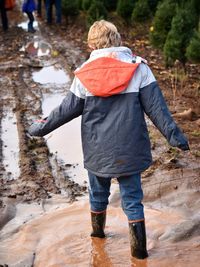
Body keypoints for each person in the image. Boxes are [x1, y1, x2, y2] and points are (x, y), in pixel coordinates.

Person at [28, 20, 190, 259]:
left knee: (97, 195)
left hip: (98, 149)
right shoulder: (139, 69)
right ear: (118, 39)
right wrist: (175, 137)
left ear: (91, 44)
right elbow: (158, 110)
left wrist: (39, 127)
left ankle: (98, 240)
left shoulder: (84, 74)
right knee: (133, 200)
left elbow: (65, 110)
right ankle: (139, 254)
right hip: (130, 149)